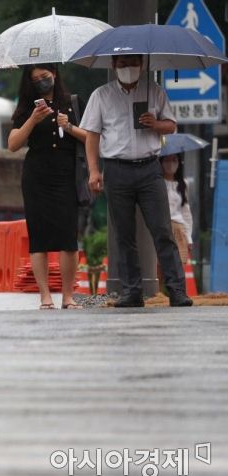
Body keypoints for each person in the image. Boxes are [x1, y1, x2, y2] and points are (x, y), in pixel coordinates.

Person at [80, 54, 193, 307]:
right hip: (117, 170)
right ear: (113, 66)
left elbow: (171, 126)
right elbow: (92, 136)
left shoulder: (155, 91)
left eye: (132, 63)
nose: (127, 69)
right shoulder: (101, 95)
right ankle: (131, 291)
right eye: (121, 64)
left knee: (162, 230)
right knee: (123, 234)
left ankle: (177, 291)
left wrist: (156, 123)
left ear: (142, 65)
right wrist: (94, 171)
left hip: (149, 169)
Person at [8, 63, 88, 310]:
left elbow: (92, 137)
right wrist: (32, 120)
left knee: (68, 236)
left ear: (54, 74)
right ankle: (44, 296)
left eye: (45, 76)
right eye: (36, 79)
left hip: (66, 174)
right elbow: (13, 144)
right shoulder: (27, 107)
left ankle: (67, 295)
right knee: (39, 236)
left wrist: (69, 127)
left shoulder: (72, 101)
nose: (42, 82)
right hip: (37, 176)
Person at [160, 152, 193, 264]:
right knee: (158, 270)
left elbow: (186, 212)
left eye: (174, 160)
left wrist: (188, 238)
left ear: (179, 163)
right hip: (161, 229)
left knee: (178, 270)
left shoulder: (183, 184)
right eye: (167, 160)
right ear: (161, 162)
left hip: (179, 230)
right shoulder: (157, 184)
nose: (170, 164)